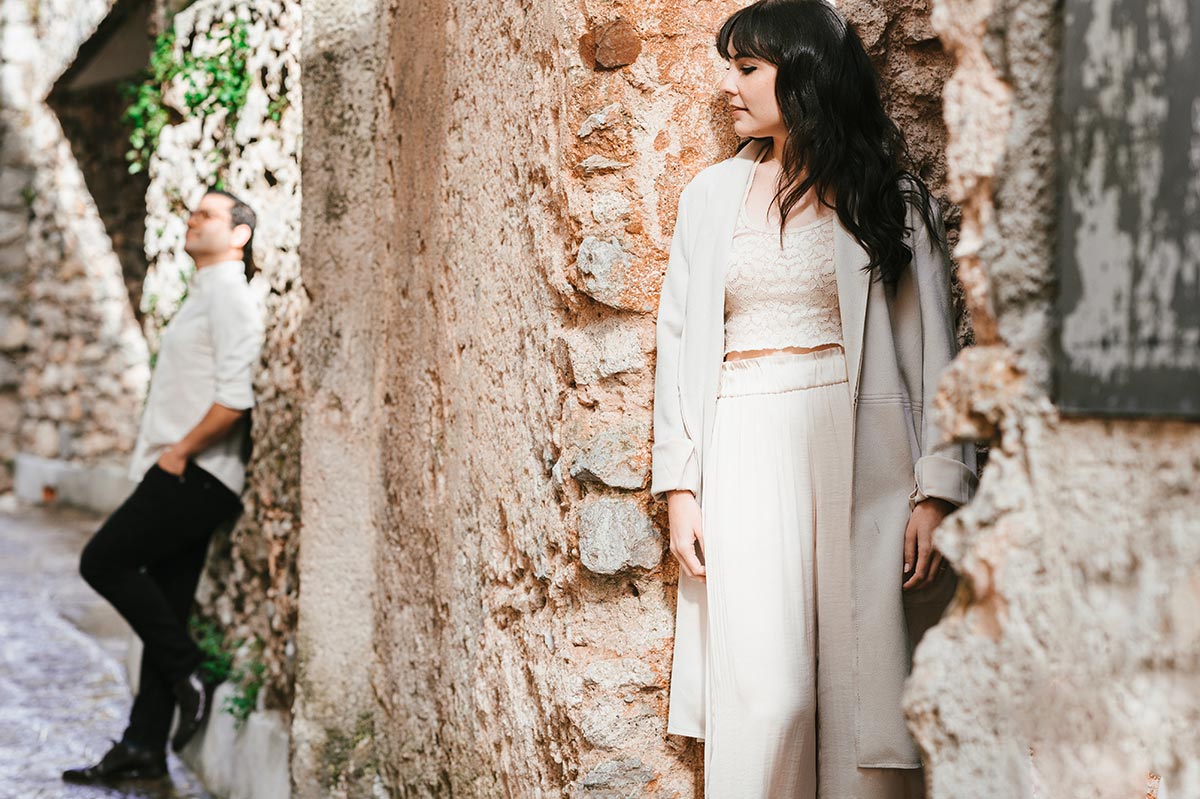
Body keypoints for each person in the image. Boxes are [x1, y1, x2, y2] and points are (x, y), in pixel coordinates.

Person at [650, 1, 978, 797]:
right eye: (728, 67)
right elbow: (677, 342)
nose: (727, 86)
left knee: (866, 685)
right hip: (743, 439)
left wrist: (936, 490)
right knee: (768, 697)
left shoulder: (886, 197)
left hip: (861, 440)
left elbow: (937, 347)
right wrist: (680, 484)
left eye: (746, 69)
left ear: (800, 75)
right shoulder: (710, 198)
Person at [63, 189, 264, 784]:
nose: (193, 219)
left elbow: (236, 395)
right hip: (188, 472)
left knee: (102, 561)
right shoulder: (206, 295)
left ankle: (187, 668)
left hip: (196, 474)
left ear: (239, 236)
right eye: (192, 212)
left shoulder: (231, 297)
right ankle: (143, 747)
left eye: (209, 215)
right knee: (167, 603)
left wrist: (178, 452)